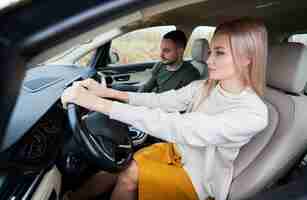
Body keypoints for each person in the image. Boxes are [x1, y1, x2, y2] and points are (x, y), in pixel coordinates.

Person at [61, 18, 269, 200]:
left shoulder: (253, 114)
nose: (209, 60)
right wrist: (106, 93)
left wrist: (99, 105)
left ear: (246, 59)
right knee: (117, 165)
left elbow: (181, 126)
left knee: (129, 174)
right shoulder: (205, 86)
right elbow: (161, 101)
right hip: (176, 151)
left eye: (219, 53)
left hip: (197, 180)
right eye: (211, 52)